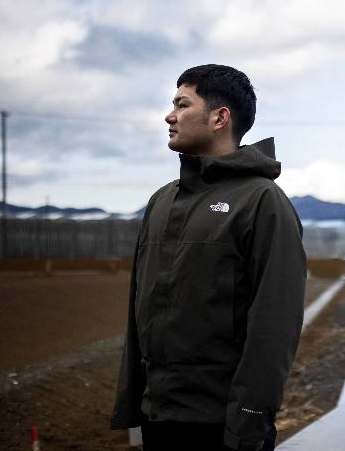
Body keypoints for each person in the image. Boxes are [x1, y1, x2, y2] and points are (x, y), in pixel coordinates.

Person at [111, 64, 307, 451]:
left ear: (220, 117)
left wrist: (249, 421)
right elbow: (140, 312)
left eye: (182, 105)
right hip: (160, 417)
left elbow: (275, 326)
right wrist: (135, 402)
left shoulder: (262, 202)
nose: (170, 116)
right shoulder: (161, 202)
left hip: (222, 426)